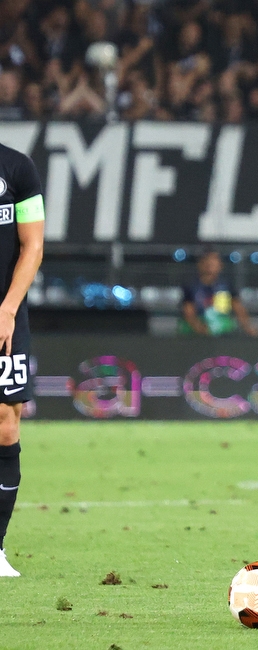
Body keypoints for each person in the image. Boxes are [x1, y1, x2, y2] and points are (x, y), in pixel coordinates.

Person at [0, 142, 46, 577]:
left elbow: (32, 246)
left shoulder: (17, 168)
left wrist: (8, 308)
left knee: (6, 422)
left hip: (6, 315)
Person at [180, 248, 257, 336]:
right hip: (197, 331)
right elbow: (188, 310)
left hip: (222, 330)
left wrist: (247, 327)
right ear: (200, 264)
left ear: (220, 265)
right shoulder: (191, 286)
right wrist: (201, 329)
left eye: (214, 262)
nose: (209, 265)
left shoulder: (226, 285)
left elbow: (237, 306)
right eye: (207, 261)